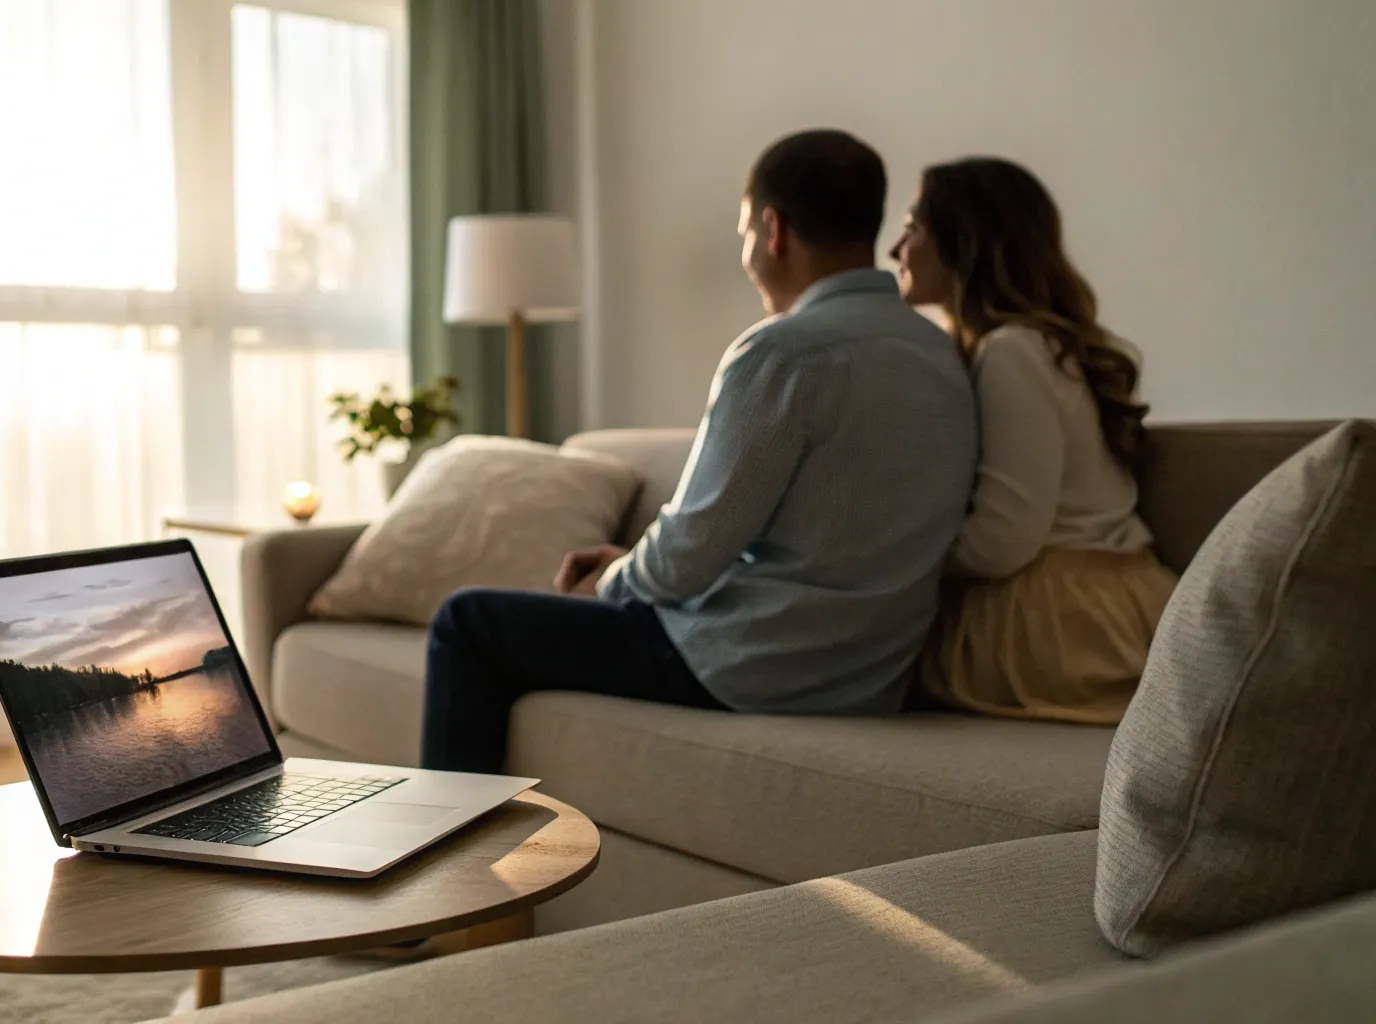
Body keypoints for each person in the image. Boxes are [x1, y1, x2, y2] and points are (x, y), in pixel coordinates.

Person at [420, 129, 978, 774]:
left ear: (774, 230)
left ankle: (449, 865)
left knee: (468, 622)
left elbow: (689, 554)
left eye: (745, 233)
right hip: (867, 680)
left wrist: (609, 582)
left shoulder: (781, 352)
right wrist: (631, 562)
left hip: (749, 664)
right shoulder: (942, 355)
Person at [888, 157, 1176, 725]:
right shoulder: (1028, 348)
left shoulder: (1012, 352)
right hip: (1108, 599)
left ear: (964, 242)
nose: (897, 250)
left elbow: (1004, 539)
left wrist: (897, 555)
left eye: (913, 227)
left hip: (1059, 622)